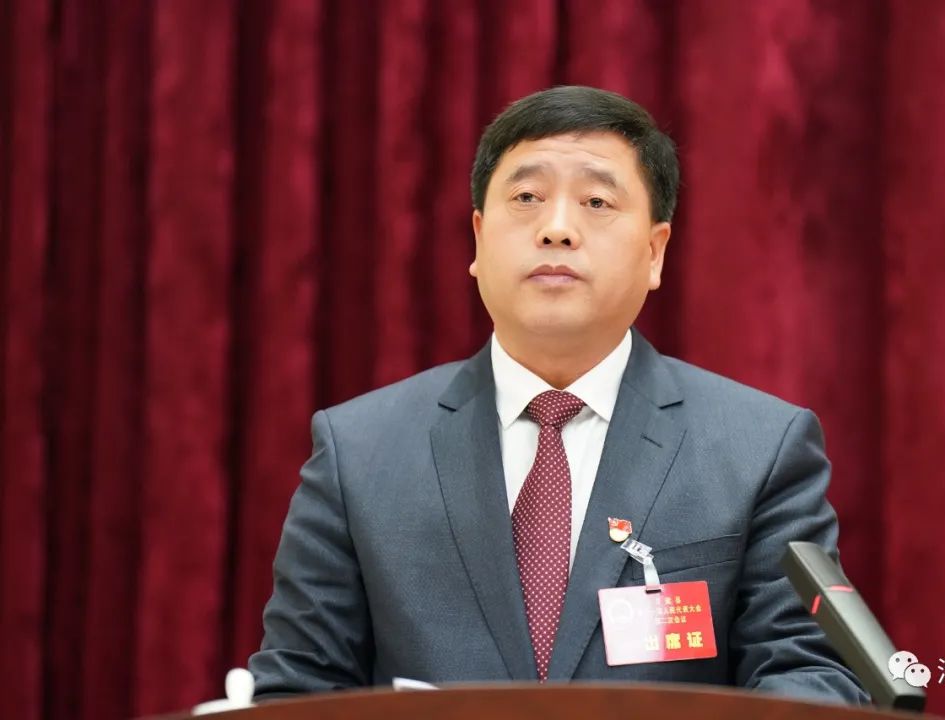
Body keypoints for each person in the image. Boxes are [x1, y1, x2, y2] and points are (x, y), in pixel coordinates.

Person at [249, 85, 867, 704]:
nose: (557, 229)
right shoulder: (358, 453)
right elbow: (296, 689)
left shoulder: (759, 449)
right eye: (527, 198)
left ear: (655, 252)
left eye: (597, 202)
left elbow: (811, 676)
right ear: (478, 238)